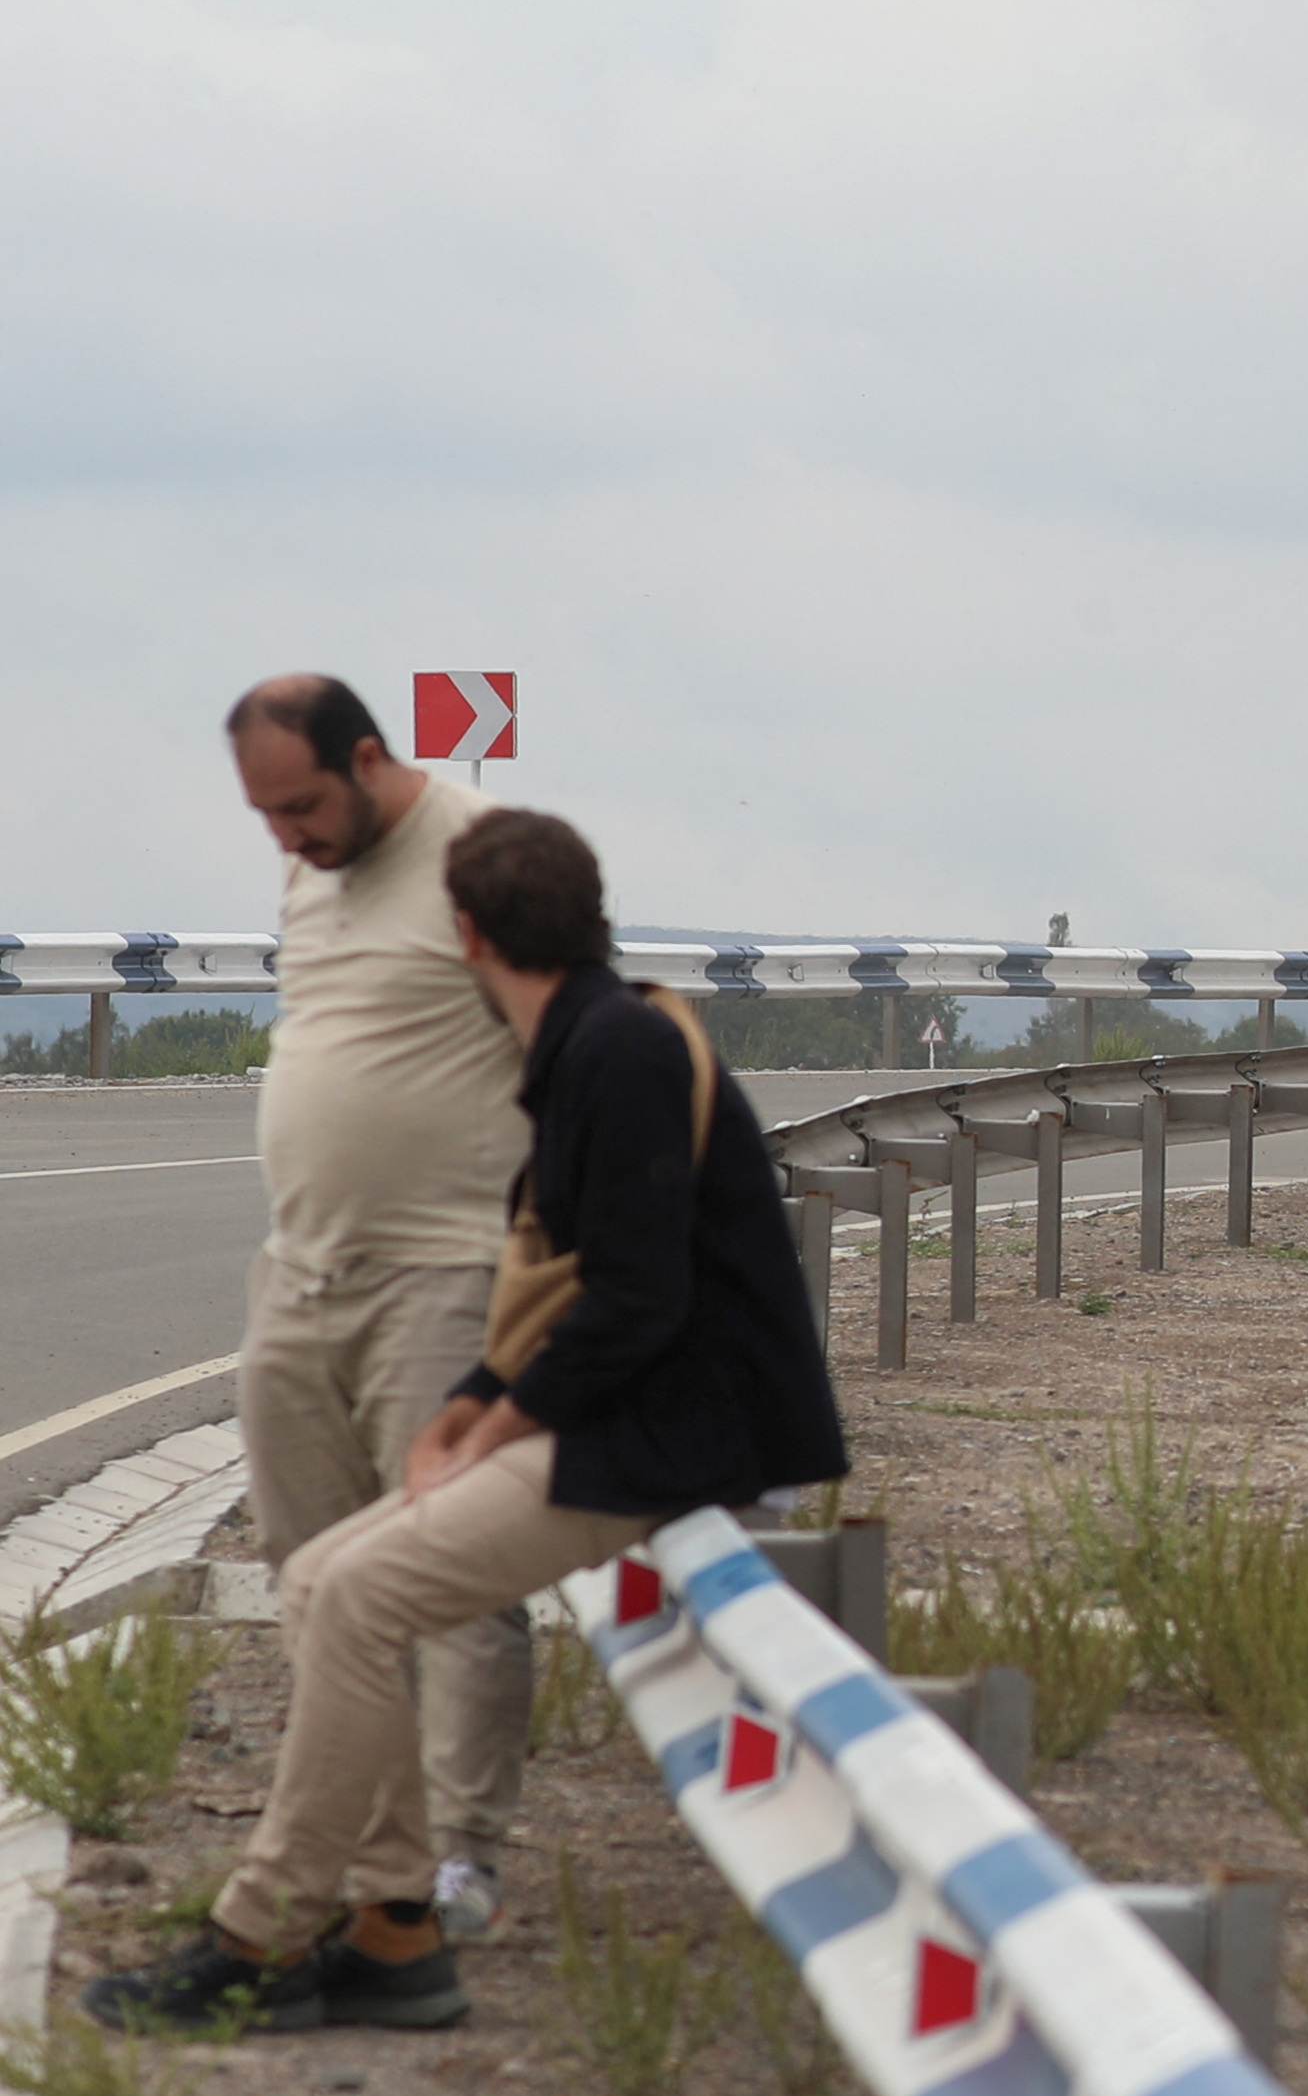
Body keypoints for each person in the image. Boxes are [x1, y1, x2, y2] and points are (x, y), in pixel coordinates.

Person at [87, 810, 848, 2034]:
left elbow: (637, 1296)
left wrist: (493, 1425)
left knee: (358, 1592)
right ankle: (393, 1926)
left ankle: (262, 1931)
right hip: (628, 1421)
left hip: (670, 1444)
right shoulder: (594, 1036)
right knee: (323, 1576)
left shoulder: (617, 1052)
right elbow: (592, 1285)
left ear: (468, 937)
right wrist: (475, 1406)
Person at [223, 674, 535, 1941]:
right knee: (313, 1576)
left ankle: (459, 1857)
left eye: (301, 806)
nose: (286, 836)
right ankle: (377, 1867)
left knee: (444, 1573)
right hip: (298, 1275)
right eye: (264, 816)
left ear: (367, 758)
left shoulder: (478, 855)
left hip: (443, 1272)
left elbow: (561, 1046)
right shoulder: (309, 868)